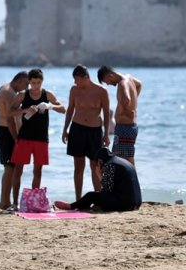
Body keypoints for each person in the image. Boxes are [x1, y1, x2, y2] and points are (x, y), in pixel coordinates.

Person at [11, 68, 66, 198]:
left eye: (38, 83)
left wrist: (49, 106)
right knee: (18, 170)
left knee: (38, 171)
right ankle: (14, 202)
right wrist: (25, 110)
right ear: (29, 82)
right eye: (33, 83)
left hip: (41, 139)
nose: (36, 86)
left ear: (42, 82)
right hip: (24, 137)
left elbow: (63, 109)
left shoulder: (47, 95)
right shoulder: (22, 95)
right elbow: (10, 113)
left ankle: (34, 201)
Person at [63, 64, 110, 202]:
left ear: (86, 77)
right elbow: (70, 109)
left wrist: (106, 134)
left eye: (77, 79)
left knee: (95, 166)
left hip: (94, 131)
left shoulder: (101, 91)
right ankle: (78, 199)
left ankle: (98, 198)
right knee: (78, 166)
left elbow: (106, 114)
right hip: (77, 129)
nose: (75, 82)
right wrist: (65, 129)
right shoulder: (74, 90)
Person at [54, 148, 141, 212]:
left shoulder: (109, 165)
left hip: (126, 204)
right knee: (98, 196)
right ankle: (83, 206)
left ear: (100, 161)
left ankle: (71, 206)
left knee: (91, 196)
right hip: (136, 202)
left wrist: (99, 175)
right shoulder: (121, 161)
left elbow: (107, 189)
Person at [0, 71, 29, 210]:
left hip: (3, 130)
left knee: (10, 168)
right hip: (7, 132)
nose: (25, 88)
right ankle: (4, 202)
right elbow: (9, 118)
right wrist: (16, 138)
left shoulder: (4, 88)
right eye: (25, 84)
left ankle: (5, 201)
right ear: (19, 81)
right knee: (9, 168)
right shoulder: (10, 93)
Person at [97, 66, 142, 166]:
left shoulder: (123, 84)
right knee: (126, 159)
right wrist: (133, 103)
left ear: (110, 75)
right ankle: (131, 181)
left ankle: (129, 181)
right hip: (128, 127)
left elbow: (126, 99)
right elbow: (139, 85)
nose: (108, 84)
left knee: (123, 160)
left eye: (106, 81)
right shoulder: (129, 78)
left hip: (125, 128)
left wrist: (125, 110)